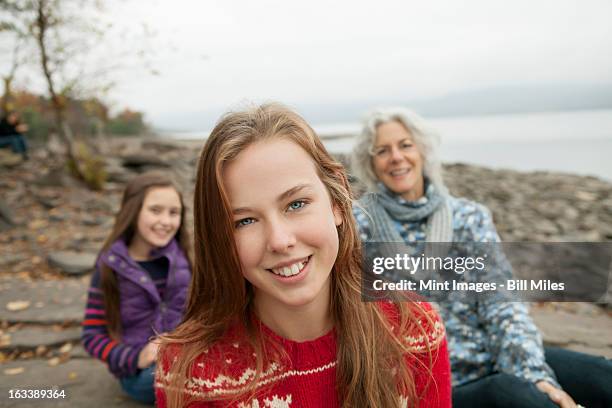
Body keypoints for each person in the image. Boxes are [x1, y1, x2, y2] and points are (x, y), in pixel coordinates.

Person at [155, 104, 451, 407]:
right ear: (219, 238)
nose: (280, 241)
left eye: (296, 204)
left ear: (336, 201)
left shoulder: (413, 330)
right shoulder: (191, 373)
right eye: (244, 221)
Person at [351, 106, 612, 408]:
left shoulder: (469, 217)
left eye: (405, 145)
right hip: (438, 381)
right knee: (515, 395)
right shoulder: (361, 226)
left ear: (422, 150)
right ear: (371, 164)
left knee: (602, 376)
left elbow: (501, 302)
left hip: (493, 354)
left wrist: (532, 371)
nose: (396, 156)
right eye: (382, 150)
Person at [81, 172, 192, 405]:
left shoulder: (187, 259)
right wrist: (136, 357)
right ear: (133, 212)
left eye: (174, 213)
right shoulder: (110, 268)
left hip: (189, 356)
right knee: (175, 380)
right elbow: (92, 335)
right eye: (155, 210)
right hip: (142, 373)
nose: (166, 221)